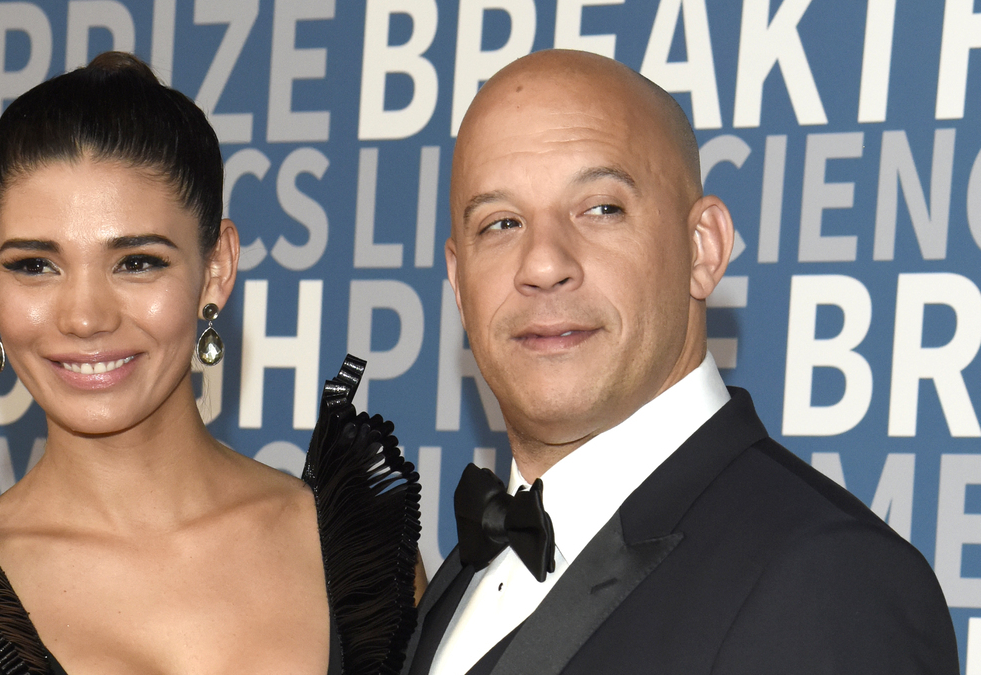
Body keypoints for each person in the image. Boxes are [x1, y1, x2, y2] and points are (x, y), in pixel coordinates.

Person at [0, 52, 420, 675]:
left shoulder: (359, 553)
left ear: (216, 267)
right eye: (35, 265)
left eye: (137, 261)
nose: (85, 317)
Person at [406, 49, 958, 675]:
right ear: (458, 281)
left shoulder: (832, 579)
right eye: (501, 223)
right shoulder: (453, 578)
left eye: (601, 209)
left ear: (703, 249)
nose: (541, 264)